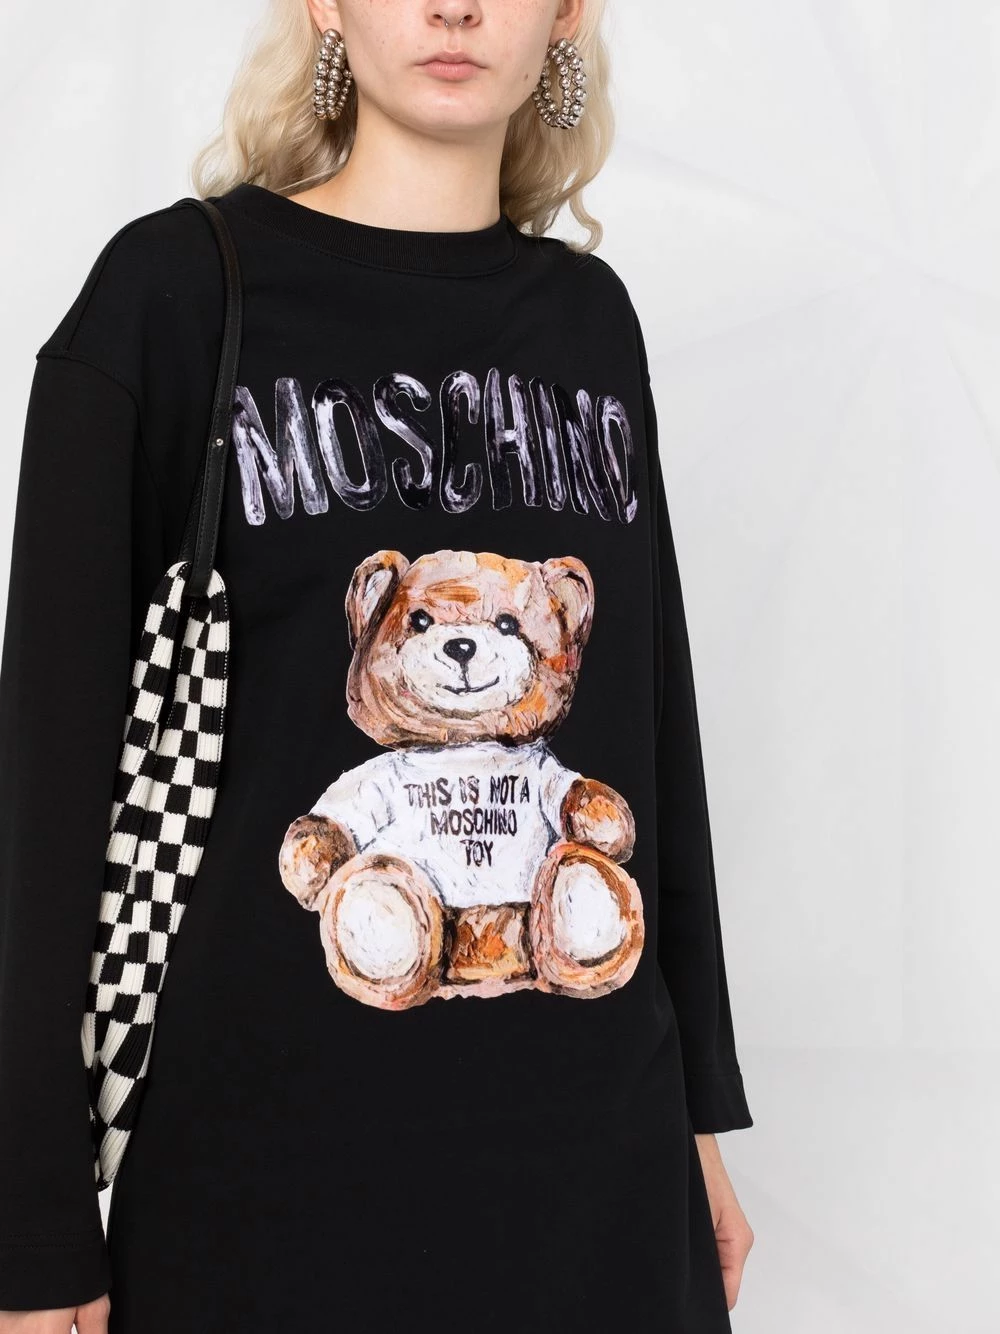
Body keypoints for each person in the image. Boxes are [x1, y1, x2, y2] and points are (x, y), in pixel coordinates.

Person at [0, 1, 756, 1330]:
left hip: (595, 1189)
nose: (454, 7)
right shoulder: (174, 296)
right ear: (324, 4)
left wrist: (698, 1120)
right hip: (261, 1191)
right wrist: (31, 1220)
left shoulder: (589, 321)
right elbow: (41, 788)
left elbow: (653, 736)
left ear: (567, 13)